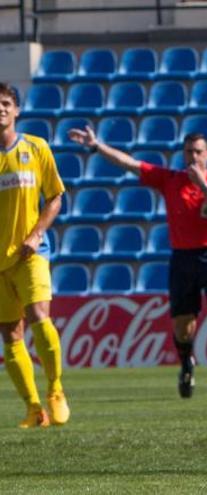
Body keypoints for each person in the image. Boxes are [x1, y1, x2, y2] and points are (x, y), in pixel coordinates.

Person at [67, 127, 207, 400]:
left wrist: (204, 186)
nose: (193, 157)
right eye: (189, 152)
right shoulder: (170, 179)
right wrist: (96, 146)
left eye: (199, 152)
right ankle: (187, 363)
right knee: (183, 326)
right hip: (182, 257)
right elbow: (129, 163)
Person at [0, 82, 71, 428]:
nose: (1, 109)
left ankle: (55, 389)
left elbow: (55, 196)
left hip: (31, 252)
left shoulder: (36, 147)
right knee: (11, 333)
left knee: (39, 316)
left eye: (6, 103)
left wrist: (37, 232)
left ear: (16, 110)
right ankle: (33, 408)